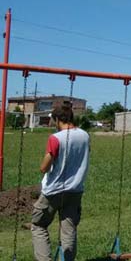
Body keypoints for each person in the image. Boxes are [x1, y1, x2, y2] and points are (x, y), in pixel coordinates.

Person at [31, 101, 90, 261]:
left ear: (58, 119)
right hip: (75, 190)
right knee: (69, 229)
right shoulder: (85, 135)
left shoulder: (55, 138)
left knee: (38, 225)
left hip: (54, 190)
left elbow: (44, 167)